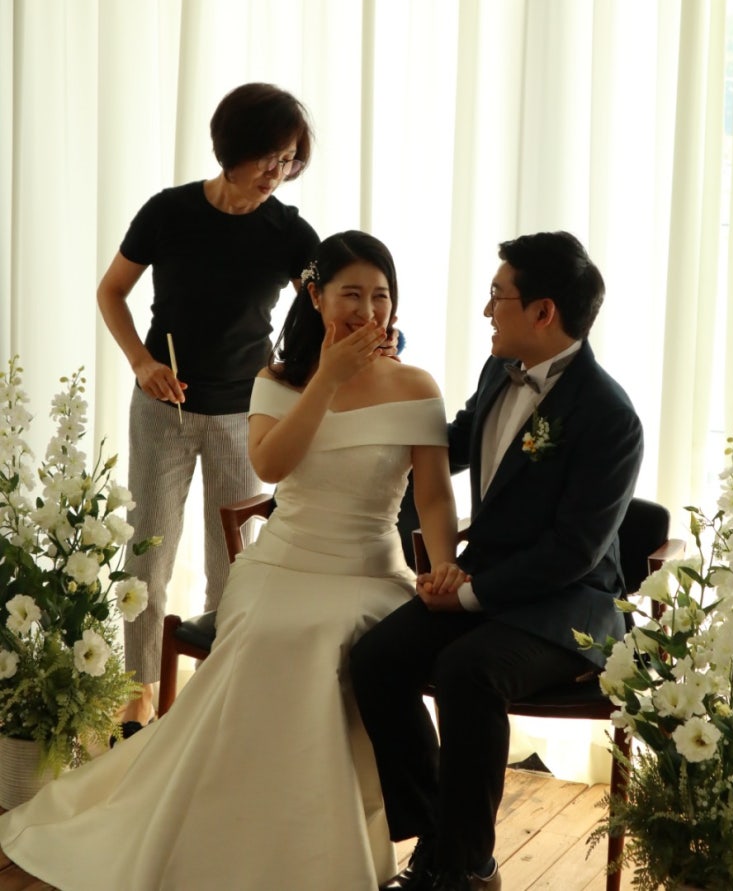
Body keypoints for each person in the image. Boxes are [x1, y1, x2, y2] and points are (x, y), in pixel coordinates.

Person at [0, 230, 468, 891]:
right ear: (315, 296)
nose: (368, 311)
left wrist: (442, 566)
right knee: (275, 632)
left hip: (369, 571)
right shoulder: (276, 380)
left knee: (335, 636)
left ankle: (328, 845)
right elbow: (271, 465)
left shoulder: (416, 385)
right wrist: (328, 379)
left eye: (381, 296)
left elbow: (435, 495)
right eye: (351, 295)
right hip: (282, 563)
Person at [349, 230, 644, 891]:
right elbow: (446, 445)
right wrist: (375, 394)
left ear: (543, 311)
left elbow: (574, 551)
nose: (486, 309)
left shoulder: (609, 416)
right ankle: (439, 834)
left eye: (496, 295)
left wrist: (466, 592)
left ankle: (463, 867)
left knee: (468, 670)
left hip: (568, 606)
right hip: (484, 581)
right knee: (375, 658)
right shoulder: (497, 371)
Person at [96, 82, 319, 729]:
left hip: (243, 415)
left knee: (234, 564)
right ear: (232, 147)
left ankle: (220, 693)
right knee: (147, 553)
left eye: (289, 159)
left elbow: (321, 309)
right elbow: (111, 291)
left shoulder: (289, 232)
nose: (277, 172)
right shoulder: (169, 213)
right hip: (160, 410)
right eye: (268, 156)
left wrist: (292, 376)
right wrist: (141, 362)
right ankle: (136, 694)